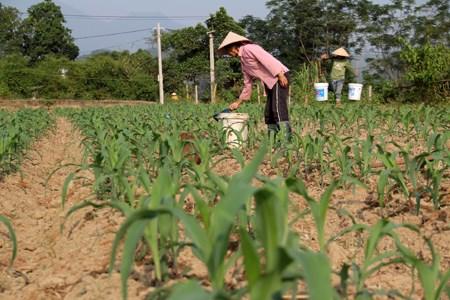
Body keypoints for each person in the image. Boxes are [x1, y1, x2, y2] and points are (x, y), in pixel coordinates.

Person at [218, 31, 292, 141]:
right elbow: (247, 84)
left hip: (278, 77)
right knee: (269, 112)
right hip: (270, 82)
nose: (228, 54)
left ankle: (286, 140)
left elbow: (268, 60)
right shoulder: (243, 62)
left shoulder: (250, 48)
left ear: (233, 47)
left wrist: (280, 74)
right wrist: (238, 102)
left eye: (228, 51)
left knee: (278, 108)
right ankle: (273, 140)